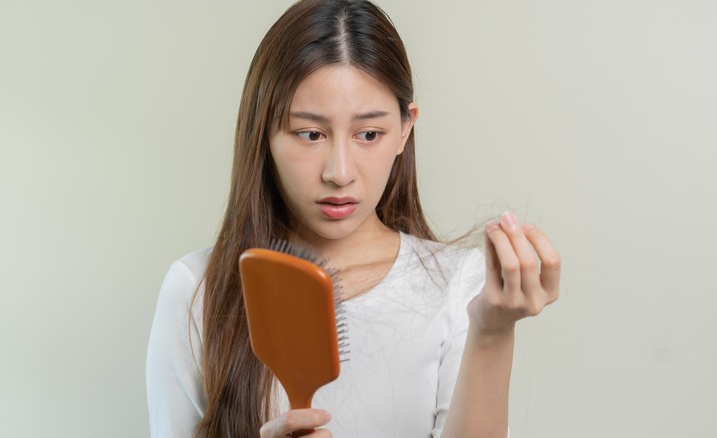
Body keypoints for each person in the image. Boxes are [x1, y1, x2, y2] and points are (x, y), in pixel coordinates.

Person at [146, 0, 560, 437]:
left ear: (405, 128)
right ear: (262, 131)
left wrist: (492, 333)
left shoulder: (460, 287)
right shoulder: (198, 289)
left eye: (368, 134)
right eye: (310, 134)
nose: (339, 172)